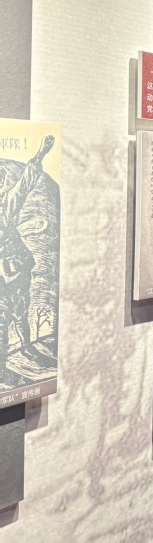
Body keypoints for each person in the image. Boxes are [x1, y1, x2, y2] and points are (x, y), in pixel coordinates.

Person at [0, 134, 56, 380]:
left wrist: (41, 153)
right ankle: (2, 366)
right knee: (2, 318)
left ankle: (26, 347)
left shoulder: (7, 206)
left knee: (20, 310)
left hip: (16, 267)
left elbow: (24, 185)